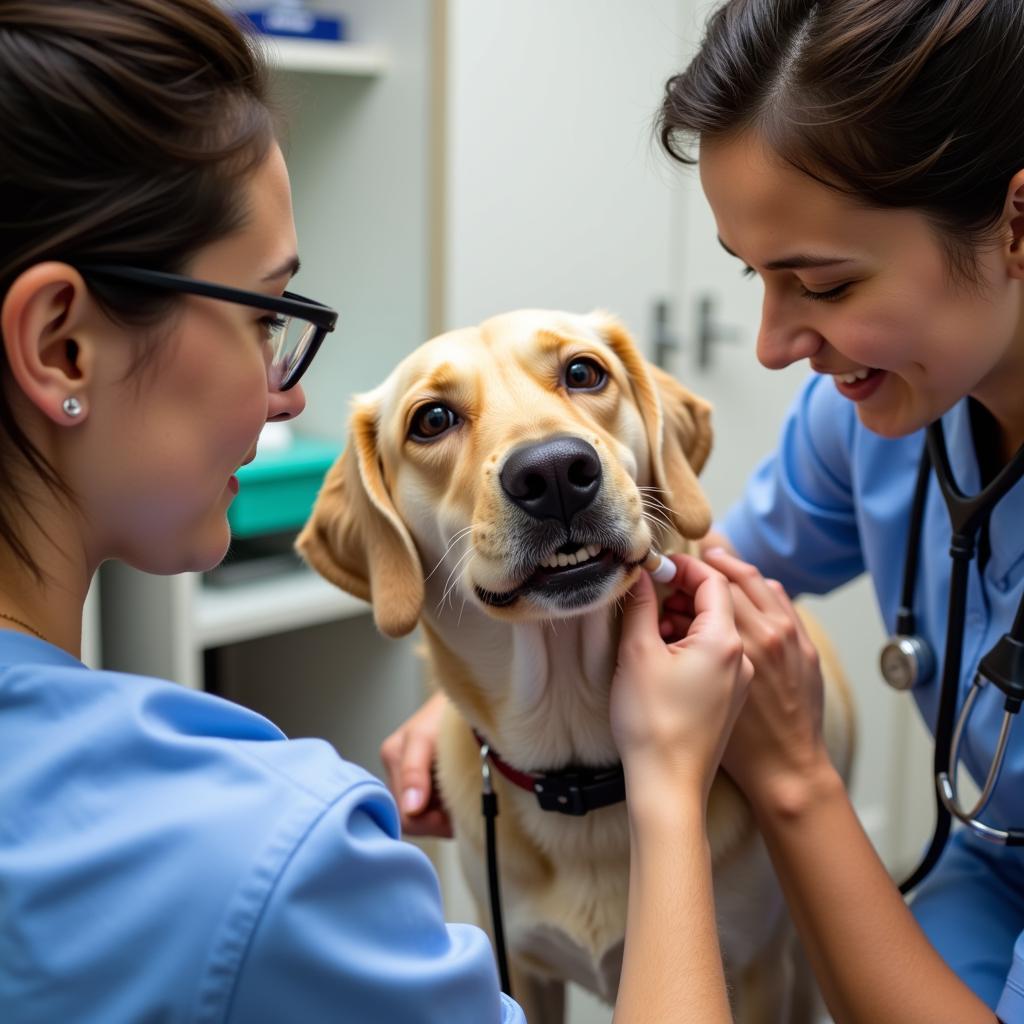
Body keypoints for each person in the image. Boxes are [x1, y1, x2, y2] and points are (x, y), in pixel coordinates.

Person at [0, 2, 753, 1022]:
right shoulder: (282, 859)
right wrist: (670, 785)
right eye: (267, 316)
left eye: (577, 378)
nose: (285, 393)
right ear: (61, 349)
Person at [384, 1, 1024, 1021]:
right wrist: (475, 693)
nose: (770, 344)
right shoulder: (863, 419)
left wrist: (793, 776)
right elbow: (694, 572)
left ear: (1015, 223)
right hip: (985, 870)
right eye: (754, 276)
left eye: (820, 280)